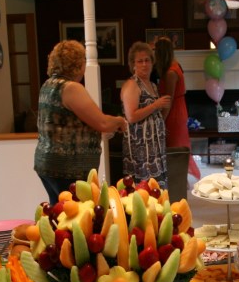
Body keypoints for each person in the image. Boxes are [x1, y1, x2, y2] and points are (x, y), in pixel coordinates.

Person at [34, 40, 128, 204]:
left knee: (57, 213)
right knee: (74, 217)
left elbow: (68, 123)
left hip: (47, 164)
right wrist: (120, 121)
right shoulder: (71, 88)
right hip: (68, 168)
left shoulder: (47, 85)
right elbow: (103, 123)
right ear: (77, 64)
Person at [120, 42, 171, 186]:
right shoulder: (132, 85)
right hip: (140, 150)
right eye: (140, 61)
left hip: (154, 149)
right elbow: (131, 116)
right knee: (143, 191)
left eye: (147, 60)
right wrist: (156, 105)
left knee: (157, 189)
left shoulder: (152, 85)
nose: (144, 64)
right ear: (133, 64)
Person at [154, 36, 201, 180]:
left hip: (174, 112)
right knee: (177, 144)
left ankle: (178, 178)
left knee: (174, 146)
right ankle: (180, 178)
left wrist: (160, 122)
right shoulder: (176, 65)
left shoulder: (170, 73)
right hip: (179, 108)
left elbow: (168, 100)